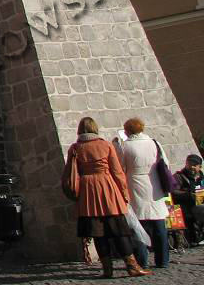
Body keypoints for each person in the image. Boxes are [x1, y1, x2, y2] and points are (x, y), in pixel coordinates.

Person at [63, 117, 149, 278]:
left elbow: (71, 171)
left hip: (87, 191)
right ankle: (132, 266)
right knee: (120, 231)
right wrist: (124, 193)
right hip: (107, 188)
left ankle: (107, 269)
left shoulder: (75, 148)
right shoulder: (105, 145)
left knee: (98, 233)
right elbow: (117, 172)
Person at [116, 118, 169, 269]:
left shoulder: (125, 146)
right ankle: (163, 260)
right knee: (159, 223)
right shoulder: (154, 142)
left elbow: (121, 167)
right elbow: (165, 162)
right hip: (154, 183)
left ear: (127, 130)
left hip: (135, 183)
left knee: (138, 225)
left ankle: (142, 260)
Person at [173, 154, 204, 245]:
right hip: (188, 206)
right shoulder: (179, 176)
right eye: (189, 164)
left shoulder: (202, 177)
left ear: (200, 166)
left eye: (194, 165)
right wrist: (189, 194)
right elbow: (173, 192)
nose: (191, 167)